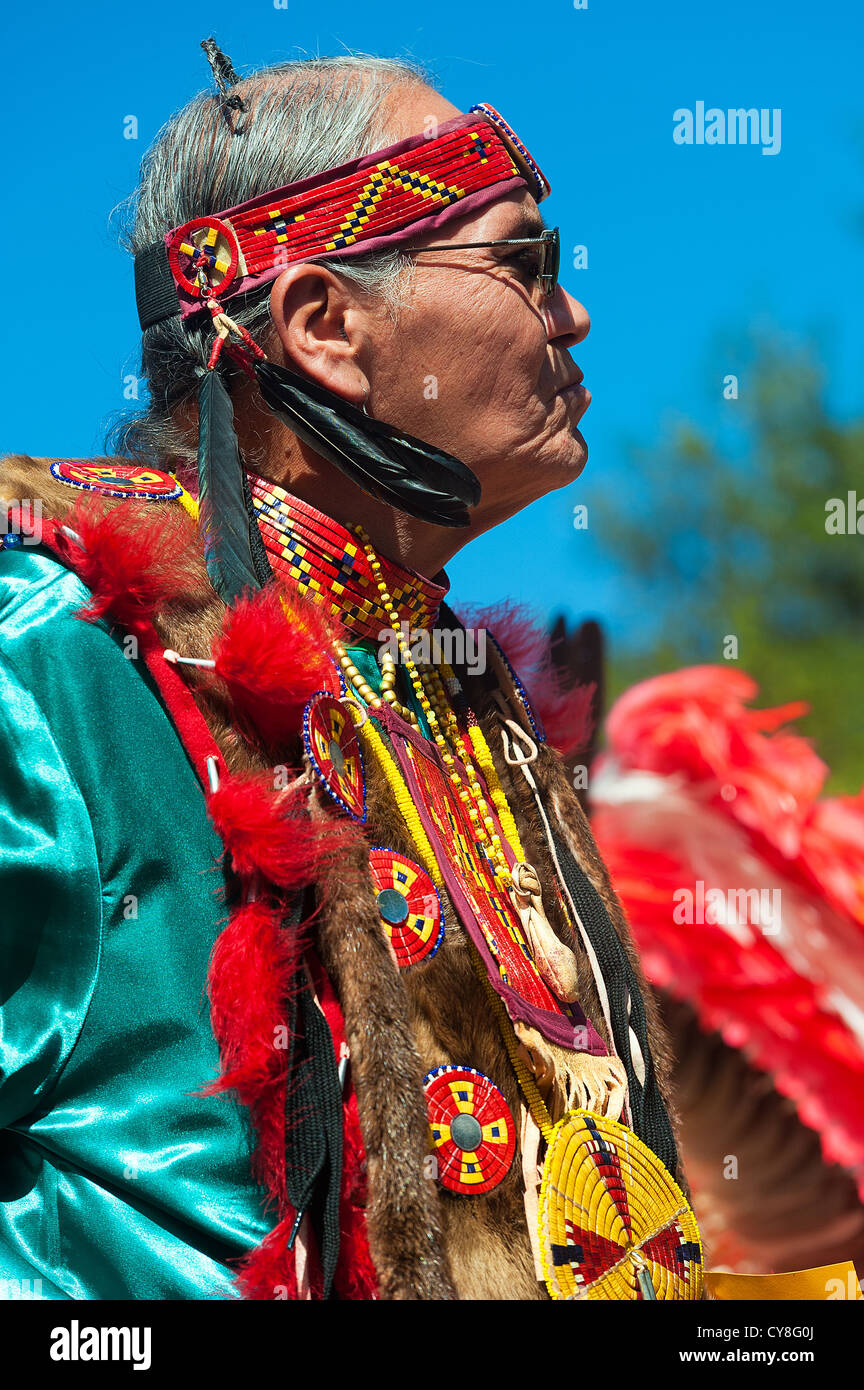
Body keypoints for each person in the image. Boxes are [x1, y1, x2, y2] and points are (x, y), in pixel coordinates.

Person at [0, 45, 701, 1301]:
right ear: (326, 326)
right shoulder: (60, 650)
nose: (573, 313)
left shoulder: (472, 710)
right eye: (524, 264)